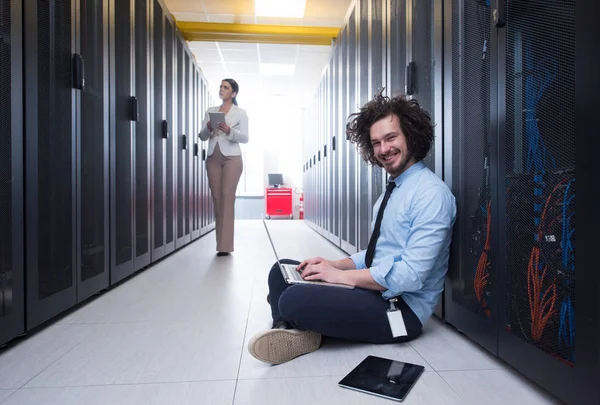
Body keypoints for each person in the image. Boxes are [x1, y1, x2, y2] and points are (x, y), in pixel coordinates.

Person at [247, 93, 456, 365]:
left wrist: (341, 277)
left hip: (400, 311)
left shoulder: (431, 194)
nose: (383, 149)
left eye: (391, 138)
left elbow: (410, 277)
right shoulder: (392, 192)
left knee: (292, 298)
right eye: (376, 143)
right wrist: (333, 264)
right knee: (283, 270)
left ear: (411, 136)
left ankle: (291, 320)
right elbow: (375, 254)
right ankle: (292, 330)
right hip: (374, 292)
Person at [199, 79, 249, 256]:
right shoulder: (211, 111)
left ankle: (224, 247)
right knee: (217, 198)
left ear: (233, 93)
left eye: (226, 88)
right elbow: (202, 136)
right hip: (213, 156)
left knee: (227, 198)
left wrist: (229, 131)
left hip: (232, 158)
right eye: (221, 86)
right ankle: (221, 242)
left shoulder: (240, 113)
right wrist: (208, 127)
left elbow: (245, 138)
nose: (222, 89)